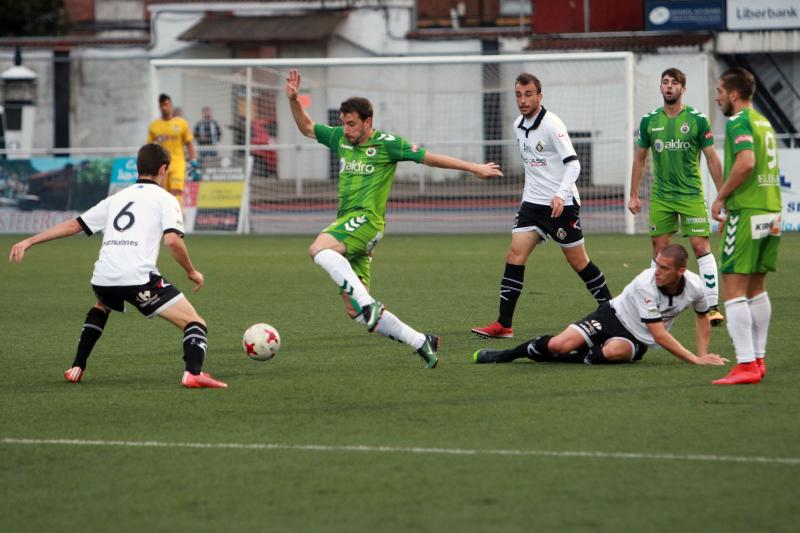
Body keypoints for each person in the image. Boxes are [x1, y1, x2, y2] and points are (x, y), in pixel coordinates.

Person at [285, 68, 502, 368]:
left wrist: (473, 167)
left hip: (366, 221)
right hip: (351, 227)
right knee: (356, 311)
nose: (346, 129)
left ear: (368, 122)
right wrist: (294, 100)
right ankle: (421, 341)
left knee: (318, 249)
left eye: (352, 124)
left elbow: (428, 157)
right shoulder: (339, 139)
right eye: (343, 123)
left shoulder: (387, 144)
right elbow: (307, 127)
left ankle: (370, 304)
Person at [8, 143, 227, 389]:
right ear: (164, 169)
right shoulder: (166, 199)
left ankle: (77, 366)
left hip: (103, 277)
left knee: (102, 305)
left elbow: (74, 225)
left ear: (138, 167)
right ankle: (193, 373)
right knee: (195, 323)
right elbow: (172, 240)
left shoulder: (116, 198)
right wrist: (191, 271)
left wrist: (30, 240)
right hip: (137, 280)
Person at [471, 72, 613, 340]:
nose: (523, 100)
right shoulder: (517, 125)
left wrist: (560, 195)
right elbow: (536, 169)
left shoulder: (551, 124)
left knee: (579, 262)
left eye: (528, 94)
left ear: (539, 96)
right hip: (532, 206)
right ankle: (504, 325)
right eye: (518, 95)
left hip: (562, 206)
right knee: (515, 255)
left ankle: (613, 310)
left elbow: (573, 163)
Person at [473, 244, 728, 368]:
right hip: (612, 316)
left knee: (613, 352)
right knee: (557, 345)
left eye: (664, 268)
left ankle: (575, 355)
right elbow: (660, 335)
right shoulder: (645, 284)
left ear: (681, 271)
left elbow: (702, 316)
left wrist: (703, 352)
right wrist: (695, 359)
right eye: (657, 264)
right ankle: (505, 355)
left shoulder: (695, 286)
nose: (657, 271)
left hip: (637, 340)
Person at [628, 68, 725, 327]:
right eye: (665, 82)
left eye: (674, 83)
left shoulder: (697, 119)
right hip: (661, 196)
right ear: (661, 88)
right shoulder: (649, 121)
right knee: (659, 250)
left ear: (683, 88)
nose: (669, 86)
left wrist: (722, 194)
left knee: (700, 246)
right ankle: (653, 303)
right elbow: (639, 158)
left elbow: (712, 158)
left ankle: (712, 306)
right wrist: (634, 194)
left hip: (691, 194)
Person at [710, 67, 782, 385]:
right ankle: (759, 359)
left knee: (734, 290)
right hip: (772, 210)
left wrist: (720, 197)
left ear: (734, 94)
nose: (717, 96)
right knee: (756, 288)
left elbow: (746, 162)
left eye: (720, 91)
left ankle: (745, 364)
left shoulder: (739, 121)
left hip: (748, 211)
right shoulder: (763, 122)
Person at [147, 94, 197, 205]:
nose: (164, 107)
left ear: (170, 105)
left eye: (166, 104)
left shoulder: (181, 123)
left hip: (178, 162)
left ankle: (177, 218)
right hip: (161, 165)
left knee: (176, 191)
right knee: (162, 193)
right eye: (162, 105)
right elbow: (150, 147)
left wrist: (193, 160)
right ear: (159, 107)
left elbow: (189, 143)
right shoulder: (154, 126)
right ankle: (164, 220)